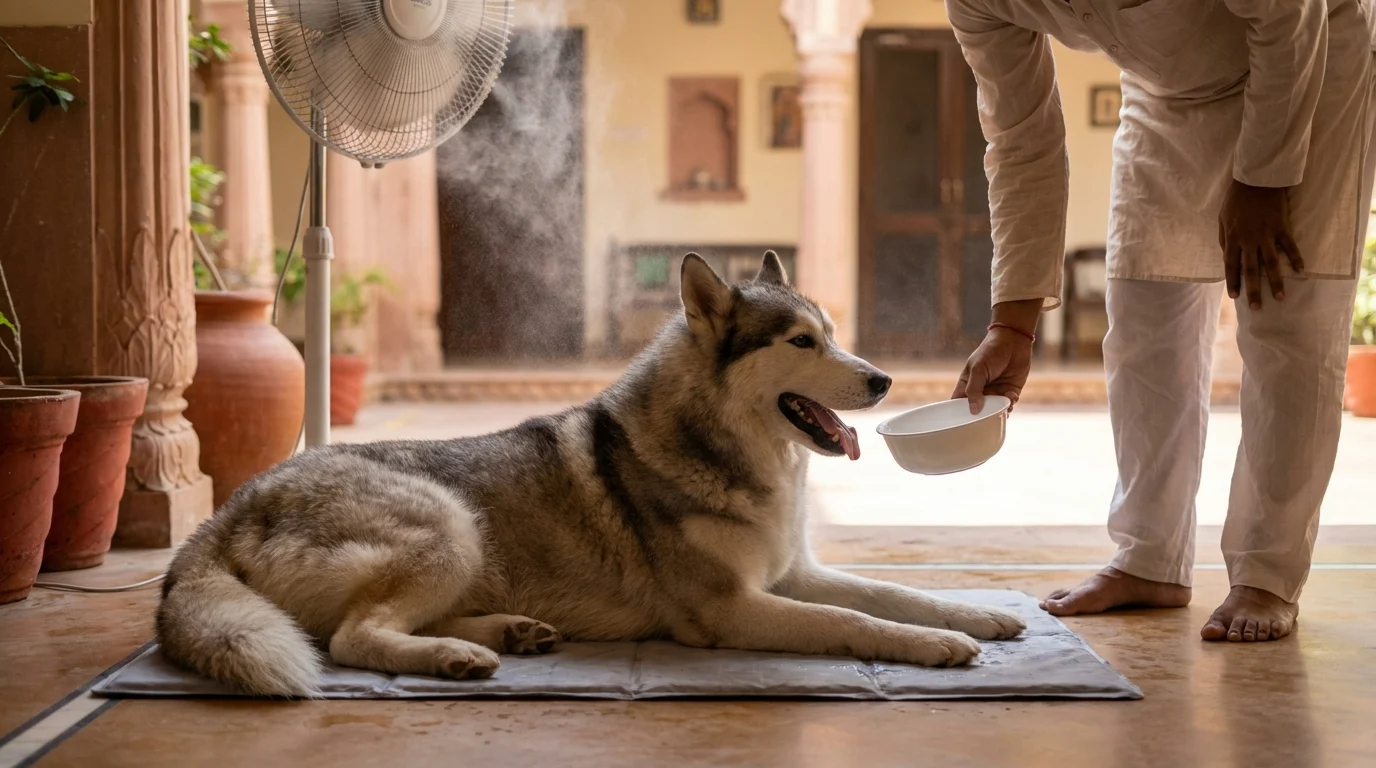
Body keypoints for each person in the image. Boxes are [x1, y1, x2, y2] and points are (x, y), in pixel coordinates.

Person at [947, 0, 1376, 642]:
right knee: (1144, 318)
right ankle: (1150, 558)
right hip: (1165, 91)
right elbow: (1020, 140)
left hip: (1311, 54)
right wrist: (1014, 324)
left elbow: (1291, 16)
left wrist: (1264, 181)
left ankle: (1266, 574)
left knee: (1283, 316)